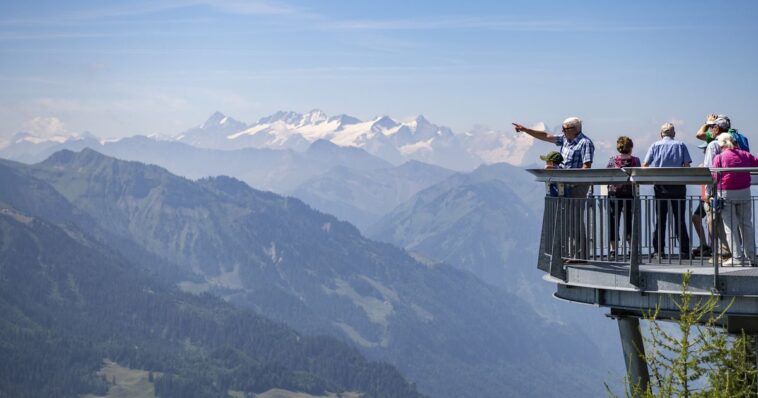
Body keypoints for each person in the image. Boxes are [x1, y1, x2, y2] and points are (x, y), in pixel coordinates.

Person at [514, 117, 594, 259]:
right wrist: (526, 130)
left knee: (574, 218)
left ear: (575, 129)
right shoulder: (565, 139)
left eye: (565, 129)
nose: (562, 131)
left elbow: (586, 166)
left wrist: (575, 181)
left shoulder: (585, 143)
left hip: (577, 186)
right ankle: (571, 252)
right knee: (566, 219)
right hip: (563, 185)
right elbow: (546, 136)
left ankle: (581, 254)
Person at [643, 122, 692, 260]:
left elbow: (645, 165)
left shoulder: (654, 145)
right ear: (674, 134)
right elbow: (687, 165)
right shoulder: (681, 145)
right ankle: (684, 251)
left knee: (660, 219)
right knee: (680, 219)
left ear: (661, 134)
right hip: (678, 186)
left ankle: (659, 251)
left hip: (660, 187)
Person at [711, 133, 758, 266]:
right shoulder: (745, 155)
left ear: (721, 145)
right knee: (746, 224)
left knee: (730, 226)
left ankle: (737, 258)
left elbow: (715, 177)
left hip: (727, 193)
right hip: (744, 192)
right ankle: (752, 257)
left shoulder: (719, 157)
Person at [605, 136, 640, 259]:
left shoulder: (612, 160)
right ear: (631, 147)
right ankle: (631, 249)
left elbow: (607, 175)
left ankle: (613, 250)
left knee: (613, 221)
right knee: (630, 221)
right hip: (630, 194)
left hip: (614, 194)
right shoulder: (635, 161)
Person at [703, 117, 733, 260]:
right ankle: (734, 252)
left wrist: (708, 193)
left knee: (714, 221)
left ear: (717, 129)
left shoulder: (713, 145)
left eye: (712, 127)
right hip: (733, 187)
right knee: (732, 221)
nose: (711, 130)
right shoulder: (733, 143)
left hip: (716, 189)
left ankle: (722, 253)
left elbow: (710, 169)